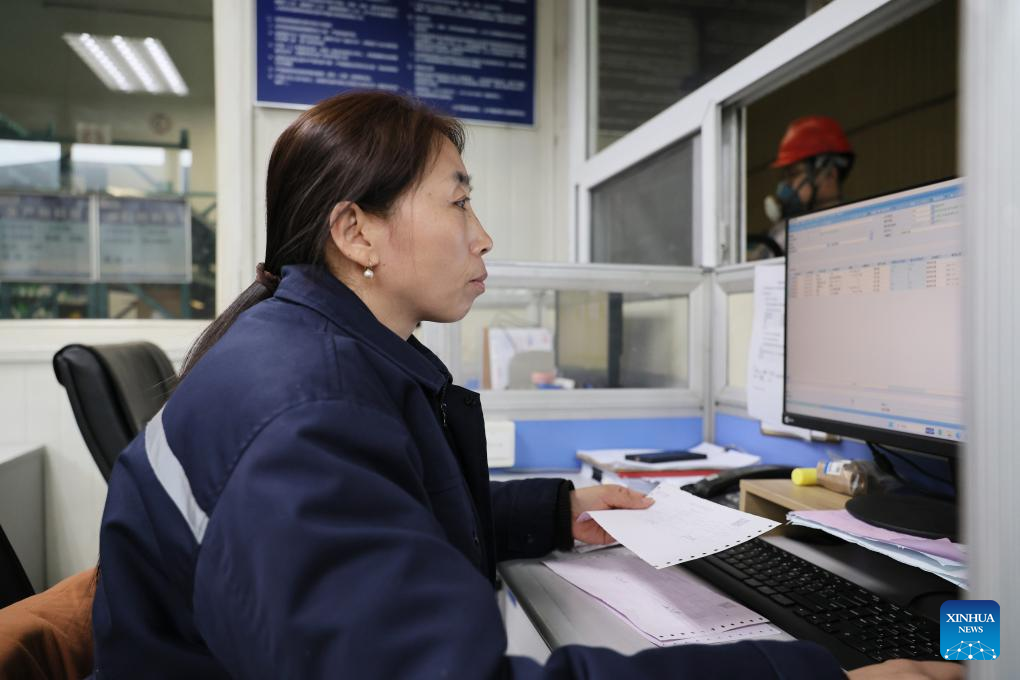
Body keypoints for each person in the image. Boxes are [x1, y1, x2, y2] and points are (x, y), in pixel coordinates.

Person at [90, 92, 960, 680]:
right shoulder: (305, 413)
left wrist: (552, 511)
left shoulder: (310, 354)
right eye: (458, 202)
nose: (483, 236)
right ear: (356, 232)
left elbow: (378, 511)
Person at [752, 115, 855, 258]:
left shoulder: (852, 231)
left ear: (830, 175)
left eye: (794, 174)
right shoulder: (782, 231)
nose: (786, 184)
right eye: (785, 177)